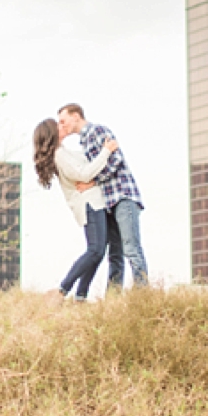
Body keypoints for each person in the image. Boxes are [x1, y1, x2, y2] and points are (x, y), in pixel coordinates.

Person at [56, 103, 147, 289]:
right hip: (108, 201)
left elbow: (115, 160)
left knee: (131, 248)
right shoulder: (83, 142)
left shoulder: (97, 131)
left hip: (122, 195)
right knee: (115, 254)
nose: (62, 125)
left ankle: (143, 292)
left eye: (63, 121)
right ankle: (113, 297)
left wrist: (94, 181)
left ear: (76, 116)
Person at [32, 118, 119, 301]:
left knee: (98, 251)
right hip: (88, 203)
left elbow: (86, 164)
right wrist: (106, 151)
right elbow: (84, 174)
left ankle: (80, 296)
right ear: (51, 133)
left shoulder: (64, 152)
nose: (62, 126)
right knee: (95, 250)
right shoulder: (59, 155)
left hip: (93, 202)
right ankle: (62, 289)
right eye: (58, 125)